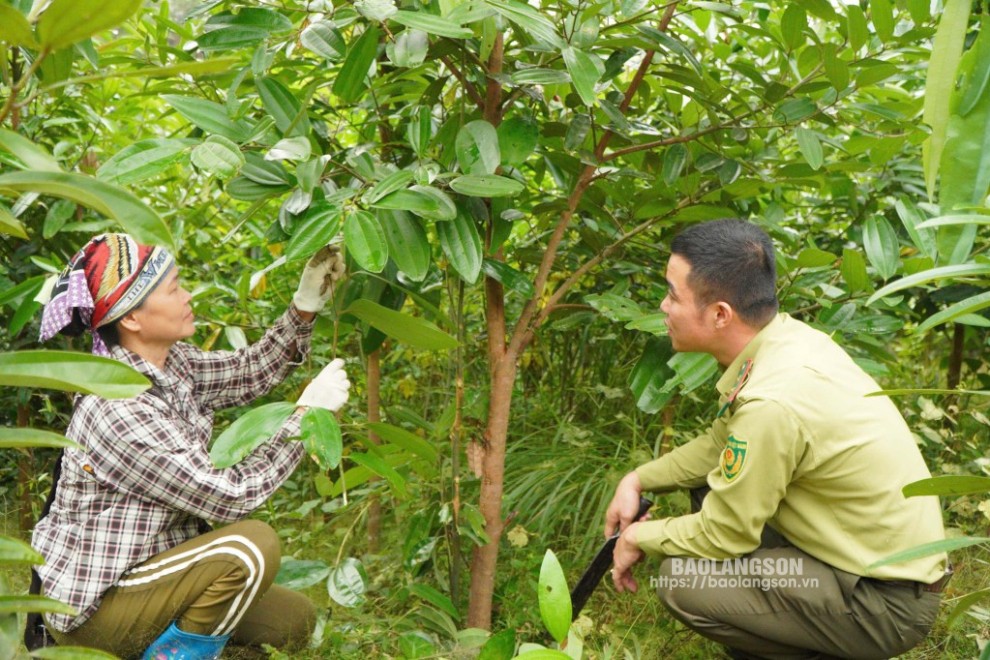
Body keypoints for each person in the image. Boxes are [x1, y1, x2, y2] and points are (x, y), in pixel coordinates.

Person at [604, 219, 949, 659]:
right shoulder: (786, 341)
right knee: (707, 485)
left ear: (720, 314)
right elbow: (719, 446)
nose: (663, 305)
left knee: (683, 581)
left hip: (884, 603)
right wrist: (638, 479)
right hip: (871, 568)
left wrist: (636, 539)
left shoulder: (772, 401)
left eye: (673, 294)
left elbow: (724, 534)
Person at [30, 233, 351, 659]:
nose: (187, 296)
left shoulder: (171, 363)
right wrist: (307, 419)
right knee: (250, 547)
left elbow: (247, 372)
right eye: (174, 288)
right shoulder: (117, 408)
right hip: (98, 606)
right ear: (132, 320)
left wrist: (305, 304)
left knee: (293, 621)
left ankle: (182, 641)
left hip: (158, 571)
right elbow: (232, 496)